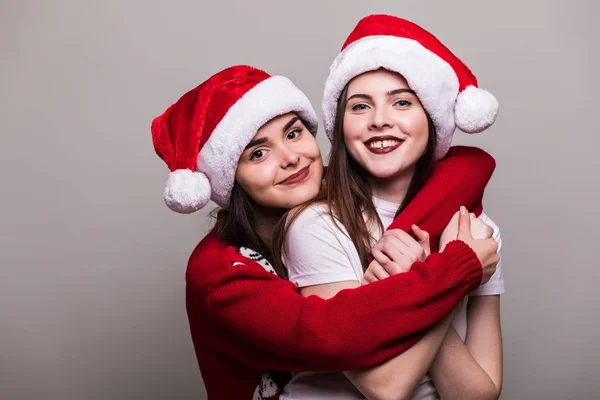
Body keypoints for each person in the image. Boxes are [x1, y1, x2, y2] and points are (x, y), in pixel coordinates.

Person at [151, 64, 499, 399]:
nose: (290, 158)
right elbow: (322, 332)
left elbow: (461, 168)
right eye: (258, 153)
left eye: (293, 133)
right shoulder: (220, 275)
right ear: (230, 177)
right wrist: (452, 270)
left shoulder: (339, 191)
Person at [281, 15, 503, 399]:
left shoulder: (476, 230)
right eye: (360, 107)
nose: (379, 121)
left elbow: (480, 394)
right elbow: (384, 388)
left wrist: (436, 274)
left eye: (401, 102)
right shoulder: (316, 224)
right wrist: (445, 274)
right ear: (342, 126)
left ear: (432, 118)